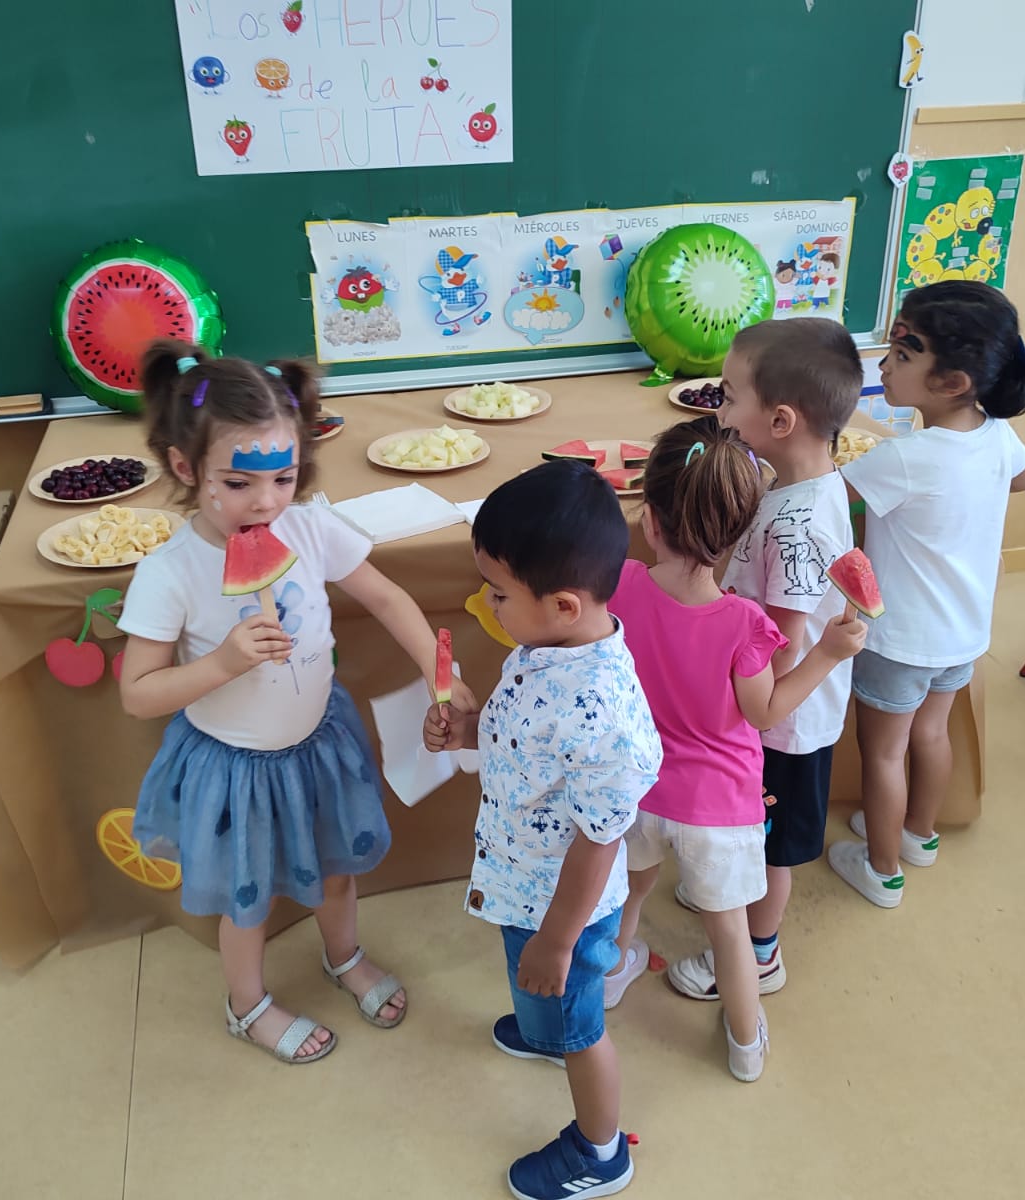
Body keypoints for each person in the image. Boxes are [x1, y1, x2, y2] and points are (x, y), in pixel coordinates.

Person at [116, 340, 473, 1065]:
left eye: (283, 477)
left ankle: (343, 957)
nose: (266, 502)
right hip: (236, 767)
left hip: (319, 746)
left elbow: (386, 597)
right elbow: (138, 694)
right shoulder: (169, 572)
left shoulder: (307, 526)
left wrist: (441, 672)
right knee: (246, 902)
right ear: (185, 469)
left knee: (338, 872)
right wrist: (221, 663)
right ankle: (245, 1005)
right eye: (239, 483)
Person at [423, 460, 661, 1200]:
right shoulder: (550, 647)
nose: (485, 603)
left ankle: (599, 1152)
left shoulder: (602, 715)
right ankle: (541, 1025)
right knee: (544, 995)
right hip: (523, 881)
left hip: (563, 910)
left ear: (562, 604)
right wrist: (468, 732)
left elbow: (600, 839)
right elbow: (528, 743)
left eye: (498, 593)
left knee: (582, 1030)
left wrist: (558, 942)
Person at [603, 416, 866, 1081]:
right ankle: (746, 1046)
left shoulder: (623, 585)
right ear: (740, 529)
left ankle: (608, 975)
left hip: (637, 789)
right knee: (727, 930)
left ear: (650, 522)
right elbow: (766, 710)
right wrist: (828, 654)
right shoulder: (745, 624)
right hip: (718, 808)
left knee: (630, 892)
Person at [667, 316, 866, 1001]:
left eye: (728, 397)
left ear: (780, 420)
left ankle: (759, 953)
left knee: (769, 845)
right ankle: (731, 894)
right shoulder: (795, 484)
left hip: (784, 723)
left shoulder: (797, 525)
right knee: (749, 827)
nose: (719, 410)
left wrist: (742, 708)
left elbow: (776, 646)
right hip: (772, 711)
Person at [831, 280, 1025, 908]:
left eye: (902, 353)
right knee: (931, 734)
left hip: (899, 639)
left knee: (883, 753)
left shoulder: (906, 458)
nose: (884, 365)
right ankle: (918, 835)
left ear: (951, 382)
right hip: (963, 631)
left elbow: (827, 499)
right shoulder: (995, 434)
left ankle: (882, 870)